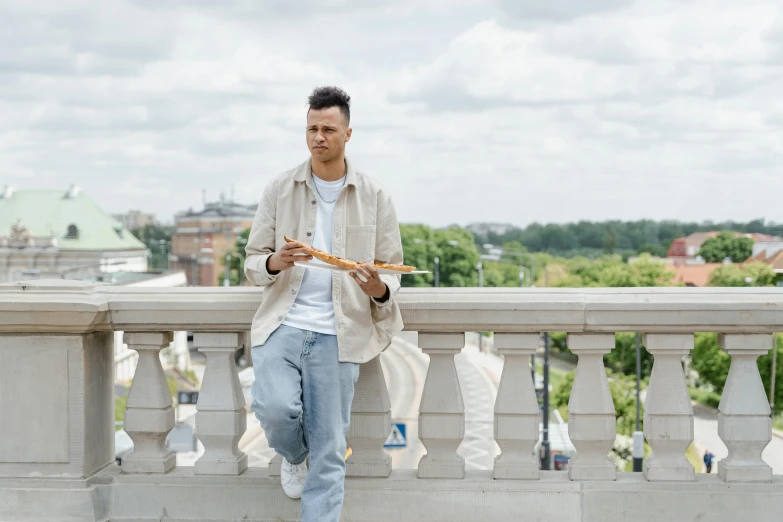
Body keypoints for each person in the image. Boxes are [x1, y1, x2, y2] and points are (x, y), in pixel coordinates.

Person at [244, 86, 404, 522]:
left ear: (347, 133)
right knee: (274, 410)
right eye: (312, 128)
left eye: (328, 129)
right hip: (284, 323)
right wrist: (276, 261)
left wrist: (377, 287)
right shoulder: (280, 188)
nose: (319, 136)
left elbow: (393, 271)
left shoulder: (375, 196)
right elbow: (252, 263)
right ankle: (295, 455)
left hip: (342, 332)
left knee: (331, 452)